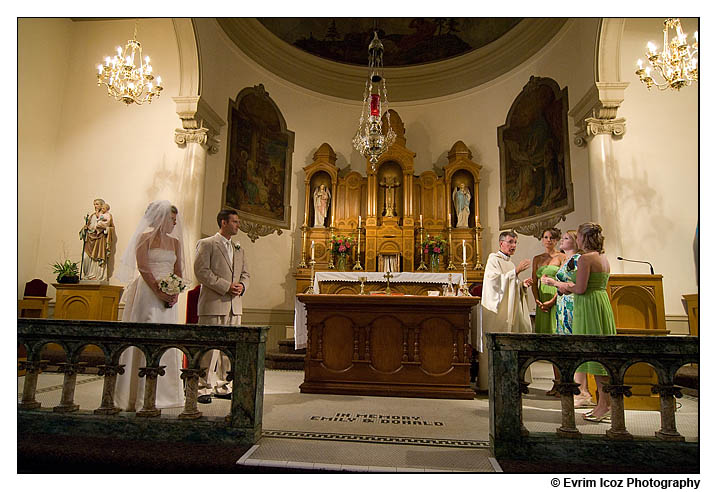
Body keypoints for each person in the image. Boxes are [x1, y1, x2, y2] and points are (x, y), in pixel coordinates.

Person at [114, 200, 187, 411]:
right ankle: (135, 395)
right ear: (161, 218)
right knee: (145, 336)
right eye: (171, 220)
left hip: (168, 294)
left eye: (175, 220)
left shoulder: (175, 243)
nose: (174, 224)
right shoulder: (143, 238)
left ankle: (164, 394)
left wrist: (175, 293)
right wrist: (159, 291)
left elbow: (179, 269)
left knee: (165, 339)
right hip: (147, 292)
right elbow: (144, 268)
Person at [542, 222, 616, 423]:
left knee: (593, 355)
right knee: (600, 356)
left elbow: (581, 288)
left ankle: (605, 405)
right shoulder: (603, 257)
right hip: (601, 303)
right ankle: (603, 404)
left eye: (580, 237)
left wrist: (561, 285)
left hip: (588, 306)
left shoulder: (585, 258)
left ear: (584, 238)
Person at [194, 209, 251, 403]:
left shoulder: (239, 248)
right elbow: (201, 272)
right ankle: (202, 388)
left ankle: (223, 385)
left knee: (229, 350)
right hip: (213, 303)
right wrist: (226, 286)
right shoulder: (207, 244)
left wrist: (242, 286)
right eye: (235, 221)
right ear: (223, 222)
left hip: (234, 306)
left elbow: (245, 274)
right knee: (209, 348)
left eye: (238, 221)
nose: (238, 225)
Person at [478, 231, 533, 391]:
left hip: (511, 311)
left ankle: (514, 380)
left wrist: (522, 285)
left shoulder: (509, 263)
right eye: (510, 242)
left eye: (515, 242)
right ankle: (494, 383)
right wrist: (515, 272)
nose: (513, 245)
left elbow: (510, 283)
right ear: (501, 243)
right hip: (498, 313)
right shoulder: (493, 259)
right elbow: (493, 282)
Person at [553, 230, 592, 407]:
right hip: (563, 306)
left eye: (566, 238)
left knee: (574, 347)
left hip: (571, 305)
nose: (562, 240)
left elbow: (573, 285)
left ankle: (582, 391)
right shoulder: (567, 260)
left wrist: (554, 283)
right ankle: (577, 389)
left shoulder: (577, 260)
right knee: (568, 348)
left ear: (576, 242)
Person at [531, 227, 565, 395]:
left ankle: (562, 383)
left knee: (558, 343)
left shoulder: (562, 257)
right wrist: (537, 300)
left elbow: (564, 281)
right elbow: (534, 282)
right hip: (542, 302)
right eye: (545, 237)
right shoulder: (537, 258)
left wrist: (552, 301)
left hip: (556, 300)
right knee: (548, 345)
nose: (548, 240)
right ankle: (555, 383)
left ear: (557, 240)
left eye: (552, 238)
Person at [80, 198, 113, 281]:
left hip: (99, 240)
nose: (95, 206)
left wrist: (105, 229)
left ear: (102, 206)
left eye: (97, 204)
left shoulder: (106, 215)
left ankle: (96, 276)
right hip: (89, 240)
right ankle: (87, 275)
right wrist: (85, 229)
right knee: (85, 258)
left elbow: (110, 228)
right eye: (94, 204)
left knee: (97, 259)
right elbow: (88, 227)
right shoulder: (92, 216)